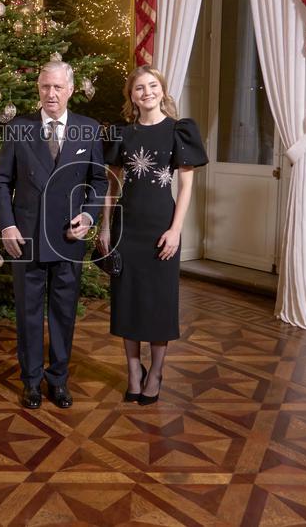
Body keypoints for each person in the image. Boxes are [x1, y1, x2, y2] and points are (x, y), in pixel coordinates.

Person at [0, 61, 107, 410]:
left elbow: (99, 181)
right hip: (26, 237)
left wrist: (88, 215)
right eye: (45, 87)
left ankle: (58, 380)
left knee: (63, 313)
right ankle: (30, 381)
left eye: (58, 87)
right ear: (38, 89)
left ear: (70, 90)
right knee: (28, 313)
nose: (51, 93)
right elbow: (2, 182)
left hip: (68, 237)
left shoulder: (88, 129)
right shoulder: (19, 128)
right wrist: (7, 225)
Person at [97, 65, 208, 405]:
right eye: (139, 88)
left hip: (162, 228)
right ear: (131, 96)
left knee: (159, 303)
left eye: (152, 86)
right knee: (126, 302)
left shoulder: (179, 131)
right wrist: (105, 226)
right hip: (126, 228)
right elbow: (112, 185)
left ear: (162, 90)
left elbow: (186, 186)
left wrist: (176, 230)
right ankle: (134, 372)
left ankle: (156, 372)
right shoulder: (122, 133)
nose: (146, 92)